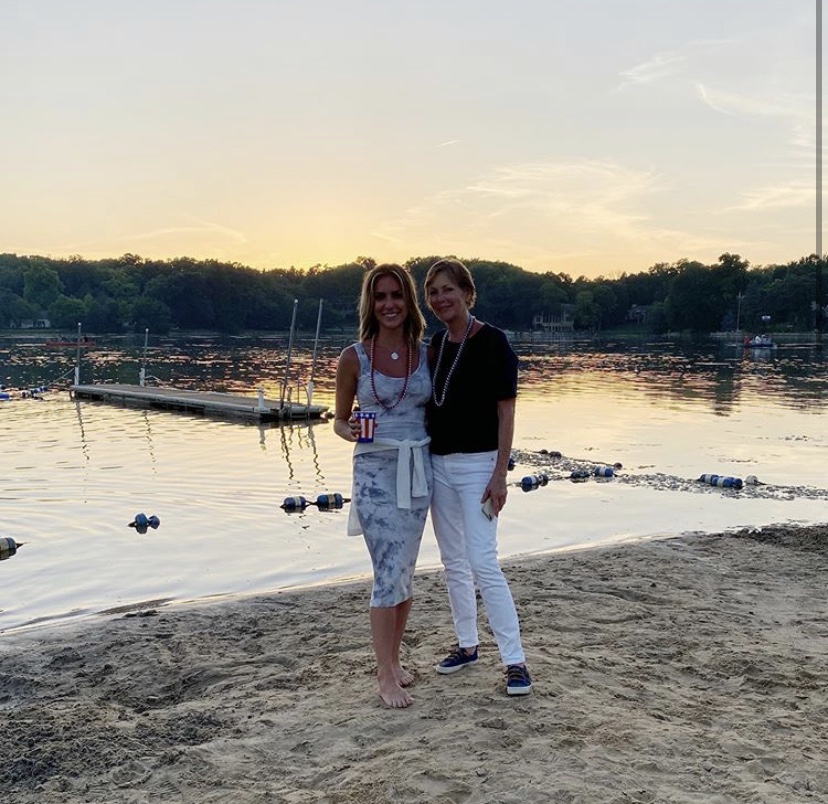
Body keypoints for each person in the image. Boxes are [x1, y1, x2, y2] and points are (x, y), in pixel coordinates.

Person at [424, 258, 532, 696]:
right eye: (433, 292)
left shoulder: (494, 342)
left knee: (483, 562)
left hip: (479, 466)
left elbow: (506, 412)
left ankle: (515, 661)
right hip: (438, 465)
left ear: (467, 293)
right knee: (452, 561)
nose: (440, 299)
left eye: (448, 289)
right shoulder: (436, 343)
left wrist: (500, 473)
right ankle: (467, 645)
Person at [333, 263, 433, 708]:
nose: (389, 304)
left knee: (404, 571)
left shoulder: (427, 354)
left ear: (408, 301)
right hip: (373, 471)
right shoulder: (354, 357)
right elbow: (339, 421)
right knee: (388, 570)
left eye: (396, 295)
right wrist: (350, 429)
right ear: (369, 304)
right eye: (380, 297)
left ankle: (393, 661)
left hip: (418, 469)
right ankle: (384, 675)